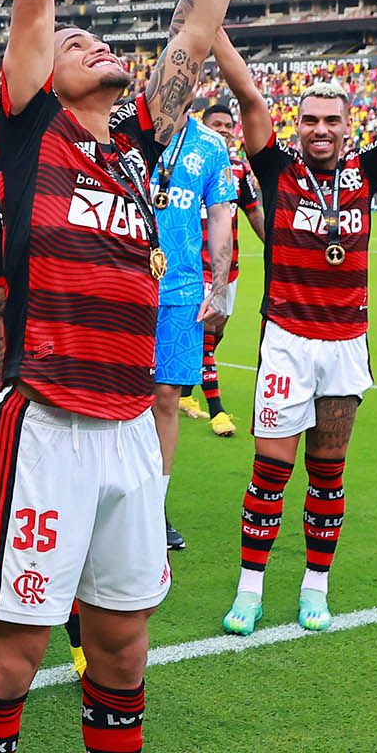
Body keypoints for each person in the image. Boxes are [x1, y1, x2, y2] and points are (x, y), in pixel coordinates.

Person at [0, 0, 250, 753]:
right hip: (46, 421)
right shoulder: (30, 138)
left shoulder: (137, 149)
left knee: (123, 650)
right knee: (11, 659)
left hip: (131, 427)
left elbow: (199, 21)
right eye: (76, 46)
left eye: (98, 41)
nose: (92, 44)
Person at [214, 5, 377, 636]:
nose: (321, 129)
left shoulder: (367, 170)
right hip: (285, 341)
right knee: (269, 471)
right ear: (297, 127)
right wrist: (210, 26)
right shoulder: (275, 167)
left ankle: (315, 587)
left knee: (327, 473)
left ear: (347, 125)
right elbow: (247, 92)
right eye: (309, 119)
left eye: (332, 120)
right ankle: (250, 589)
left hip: (345, 346)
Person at [147, 107, 237, 551]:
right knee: (118, 398)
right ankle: (111, 503)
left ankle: (153, 510)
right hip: (122, 282)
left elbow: (221, 214)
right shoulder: (125, 123)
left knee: (166, 399)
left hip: (181, 287)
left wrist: (218, 288)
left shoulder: (211, 144)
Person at [195, 100, 266, 437]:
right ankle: (216, 410)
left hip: (229, 269)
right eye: (217, 124)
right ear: (203, 126)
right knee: (207, 337)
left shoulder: (238, 169)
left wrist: (279, 249)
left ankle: (182, 392)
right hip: (196, 268)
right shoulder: (187, 162)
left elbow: (253, 212)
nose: (224, 129)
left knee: (216, 333)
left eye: (228, 124)